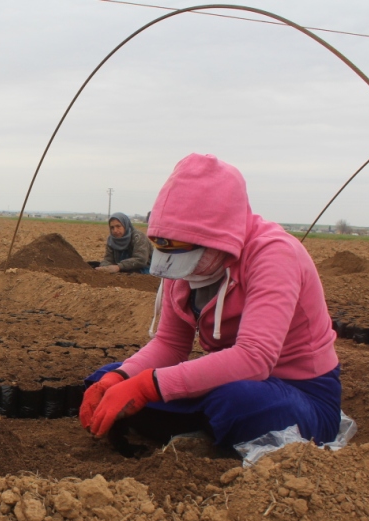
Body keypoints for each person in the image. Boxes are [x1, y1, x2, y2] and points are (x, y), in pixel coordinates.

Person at [79, 153, 341, 451]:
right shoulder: (178, 260)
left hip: (298, 393)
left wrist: (148, 386)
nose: (180, 268)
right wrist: (122, 377)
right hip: (228, 380)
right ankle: (208, 433)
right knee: (105, 381)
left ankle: (203, 430)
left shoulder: (275, 255)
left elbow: (255, 358)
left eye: (186, 254)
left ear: (217, 238)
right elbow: (170, 344)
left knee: (236, 402)